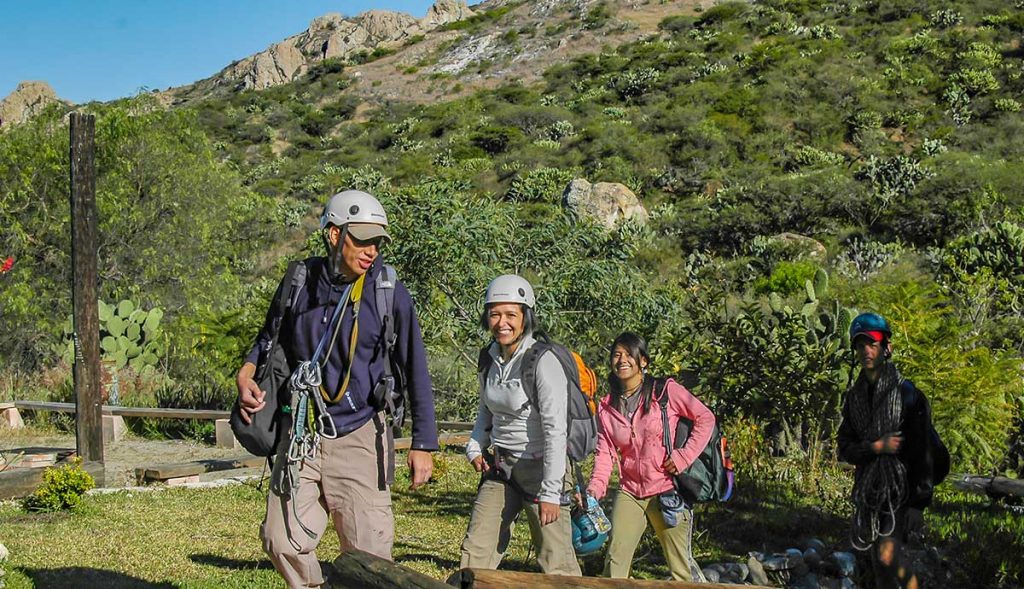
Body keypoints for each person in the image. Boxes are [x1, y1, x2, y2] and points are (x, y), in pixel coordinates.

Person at [235, 189, 439, 588]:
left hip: (361, 433)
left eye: (377, 242)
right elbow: (267, 338)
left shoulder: (387, 290)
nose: (371, 251)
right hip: (303, 432)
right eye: (362, 239)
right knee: (281, 539)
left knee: (369, 556)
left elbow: (416, 367)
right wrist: (246, 374)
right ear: (333, 235)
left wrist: (423, 443)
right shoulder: (299, 280)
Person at [460, 274, 581, 576]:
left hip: (542, 471)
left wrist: (551, 492)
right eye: (495, 313)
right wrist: (475, 445)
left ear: (526, 316)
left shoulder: (543, 361)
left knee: (556, 564)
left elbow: (556, 431)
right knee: (475, 551)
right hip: (503, 469)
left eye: (511, 314)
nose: (502, 322)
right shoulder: (489, 358)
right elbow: (486, 409)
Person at [587, 332, 714, 581]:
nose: (621, 360)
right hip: (630, 490)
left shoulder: (665, 392)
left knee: (680, 570)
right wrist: (595, 489)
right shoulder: (606, 406)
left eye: (628, 354)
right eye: (616, 354)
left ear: (643, 361)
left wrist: (682, 457)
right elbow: (605, 454)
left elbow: (705, 417)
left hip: (667, 489)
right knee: (615, 561)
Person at [838, 312, 948, 589]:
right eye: (860, 345)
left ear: (887, 348)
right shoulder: (854, 398)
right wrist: (875, 447)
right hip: (870, 488)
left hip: (901, 488)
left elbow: (922, 450)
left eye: (872, 344)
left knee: (888, 554)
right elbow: (844, 447)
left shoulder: (908, 394)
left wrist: (918, 504)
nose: (866, 351)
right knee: (879, 560)